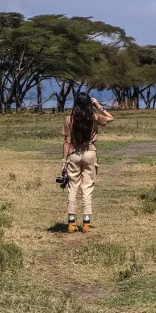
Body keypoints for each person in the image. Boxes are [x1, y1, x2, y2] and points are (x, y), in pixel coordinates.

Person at [61, 94, 114, 234]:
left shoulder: (69, 119)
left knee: (72, 188)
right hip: (90, 153)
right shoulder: (94, 117)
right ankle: (86, 223)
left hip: (73, 154)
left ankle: (71, 222)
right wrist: (98, 106)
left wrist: (63, 161)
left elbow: (67, 142)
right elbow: (110, 118)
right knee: (87, 188)